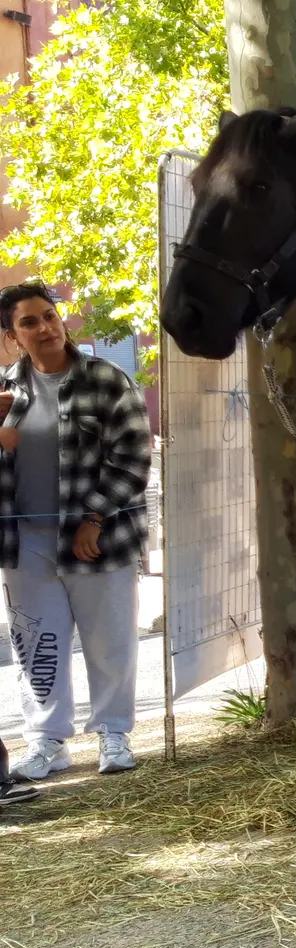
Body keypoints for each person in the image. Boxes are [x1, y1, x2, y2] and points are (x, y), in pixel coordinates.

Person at [0, 282, 151, 780]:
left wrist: (94, 518)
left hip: (98, 536)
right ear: (11, 335)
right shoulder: (7, 390)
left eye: (49, 316)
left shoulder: (107, 380)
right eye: (29, 322)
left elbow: (133, 458)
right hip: (27, 541)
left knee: (110, 639)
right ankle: (47, 741)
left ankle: (113, 733)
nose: (44, 328)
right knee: (37, 644)